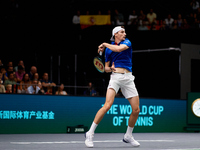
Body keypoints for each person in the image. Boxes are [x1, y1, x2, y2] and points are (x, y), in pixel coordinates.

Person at [85, 26, 140, 148]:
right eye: (122, 32)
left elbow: (119, 49)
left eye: (124, 32)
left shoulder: (127, 42)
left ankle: (128, 136)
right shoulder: (108, 50)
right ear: (116, 34)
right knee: (107, 105)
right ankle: (90, 133)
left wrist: (104, 44)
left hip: (128, 78)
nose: (124, 34)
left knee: (136, 110)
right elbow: (105, 68)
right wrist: (111, 68)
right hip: (115, 78)